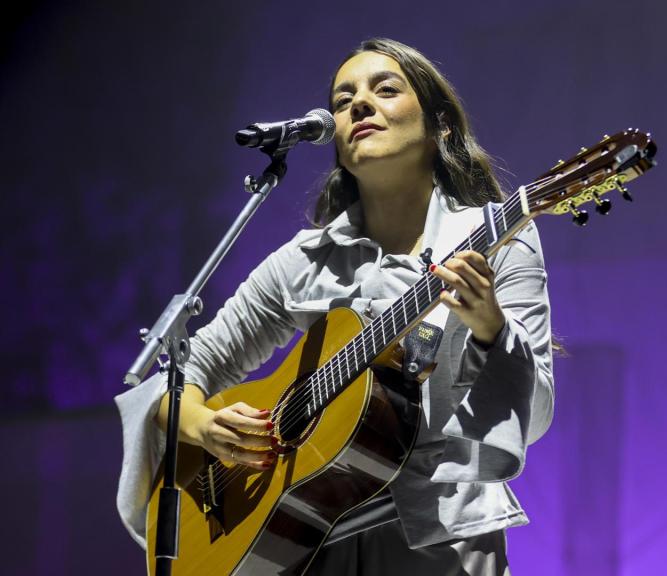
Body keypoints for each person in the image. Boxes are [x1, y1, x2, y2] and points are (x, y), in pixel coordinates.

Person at [115, 38, 554, 575]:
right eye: (343, 101)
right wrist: (206, 428)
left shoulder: (498, 238)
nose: (359, 105)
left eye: (385, 90)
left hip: (441, 540)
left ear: (441, 125)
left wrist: (490, 327)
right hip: (306, 544)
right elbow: (177, 375)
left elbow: (534, 415)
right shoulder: (303, 260)